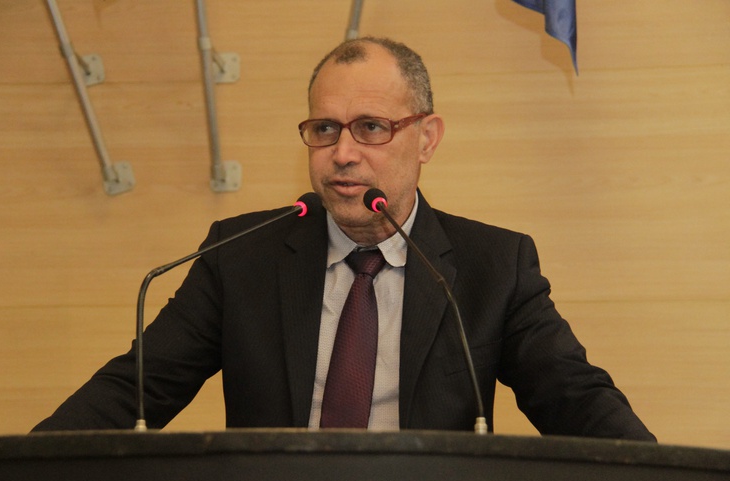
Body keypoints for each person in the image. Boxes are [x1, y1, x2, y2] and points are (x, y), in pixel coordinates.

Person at [33, 37, 655, 441]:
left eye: (371, 128)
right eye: (325, 129)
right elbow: (133, 389)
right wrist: (17, 471)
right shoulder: (239, 256)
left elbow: (576, 399)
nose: (343, 153)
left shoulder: (492, 265)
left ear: (426, 138)